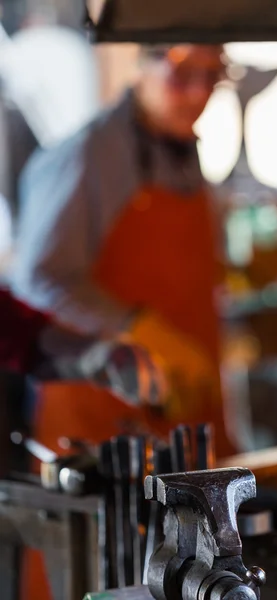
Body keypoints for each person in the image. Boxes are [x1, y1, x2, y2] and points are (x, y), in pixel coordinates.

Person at [11, 44, 236, 600]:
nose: (199, 92)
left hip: (181, 419)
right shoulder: (89, 154)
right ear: (141, 62)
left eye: (213, 75)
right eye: (183, 73)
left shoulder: (183, 153)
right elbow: (36, 280)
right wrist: (137, 327)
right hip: (97, 418)